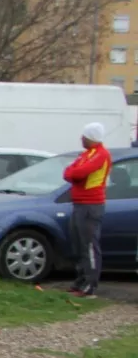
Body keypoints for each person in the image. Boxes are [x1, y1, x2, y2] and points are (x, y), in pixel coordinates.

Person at [63, 122, 112, 297]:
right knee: (79, 245)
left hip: (91, 205)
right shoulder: (86, 154)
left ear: (91, 137)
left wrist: (74, 173)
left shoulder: (101, 155)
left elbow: (78, 173)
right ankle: (80, 280)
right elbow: (68, 172)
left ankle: (90, 286)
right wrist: (74, 172)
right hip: (79, 203)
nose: (81, 139)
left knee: (89, 246)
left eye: (84, 136)